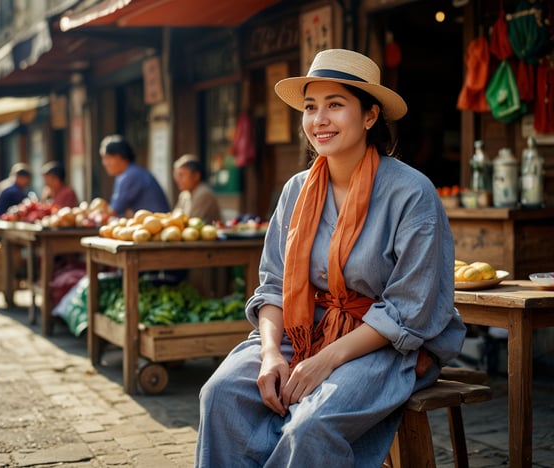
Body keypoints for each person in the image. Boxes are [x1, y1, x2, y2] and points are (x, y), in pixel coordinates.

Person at [195, 49, 466, 467]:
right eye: (310, 107)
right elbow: (273, 286)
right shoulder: (295, 190)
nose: (319, 120)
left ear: (370, 116)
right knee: (221, 393)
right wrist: (271, 354)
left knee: (312, 424)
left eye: (335, 105)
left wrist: (325, 361)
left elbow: (409, 310)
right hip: (301, 330)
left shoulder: (412, 194)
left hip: (384, 345)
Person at [99, 134, 170, 217]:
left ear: (119, 157)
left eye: (107, 158)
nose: (104, 163)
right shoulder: (125, 175)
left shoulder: (131, 175)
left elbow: (114, 210)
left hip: (156, 225)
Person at [172, 154, 222, 223]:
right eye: (176, 175)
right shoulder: (184, 194)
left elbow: (190, 222)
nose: (177, 180)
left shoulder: (204, 193)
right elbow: (174, 218)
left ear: (196, 176)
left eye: (181, 175)